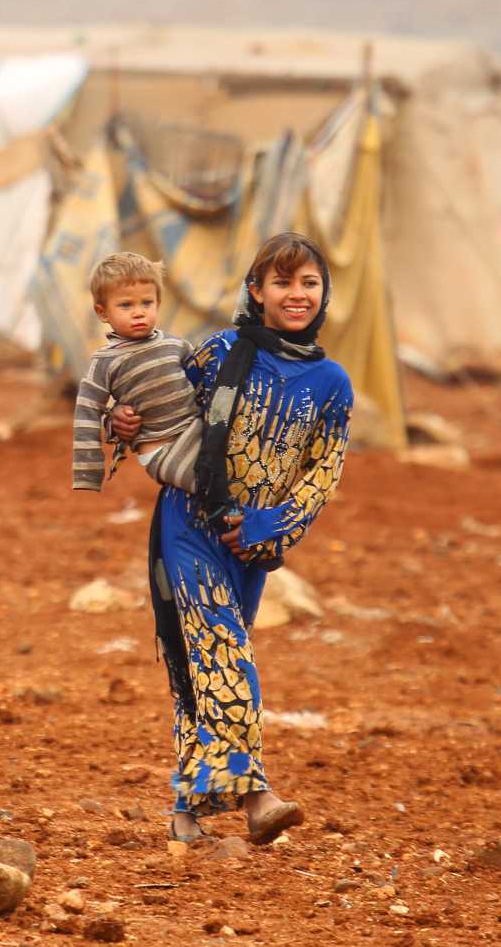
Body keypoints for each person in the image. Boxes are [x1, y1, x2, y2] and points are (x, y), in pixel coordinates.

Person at [109, 232, 353, 844]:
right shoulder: (219, 353)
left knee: (204, 663)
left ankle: (188, 809)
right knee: (222, 647)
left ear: (323, 294)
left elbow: (323, 474)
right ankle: (256, 795)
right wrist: (124, 421)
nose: (296, 295)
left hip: (254, 546)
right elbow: (159, 406)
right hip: (188, 525)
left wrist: (274, 526)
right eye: (282, 283)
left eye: (308, 283)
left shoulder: (333, 384)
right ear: (256, 291)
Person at [72, 252, 202, 493]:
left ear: (158, 303)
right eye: (126, 305)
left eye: (146, 303)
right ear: (102, 312)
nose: (139, 312)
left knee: (232, 468)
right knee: (209, 485)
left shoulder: (176, 346)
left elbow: (206, 381)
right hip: (161, 450)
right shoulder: (105, 362)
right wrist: (88, 471)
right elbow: (87, 411)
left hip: (197, 433)